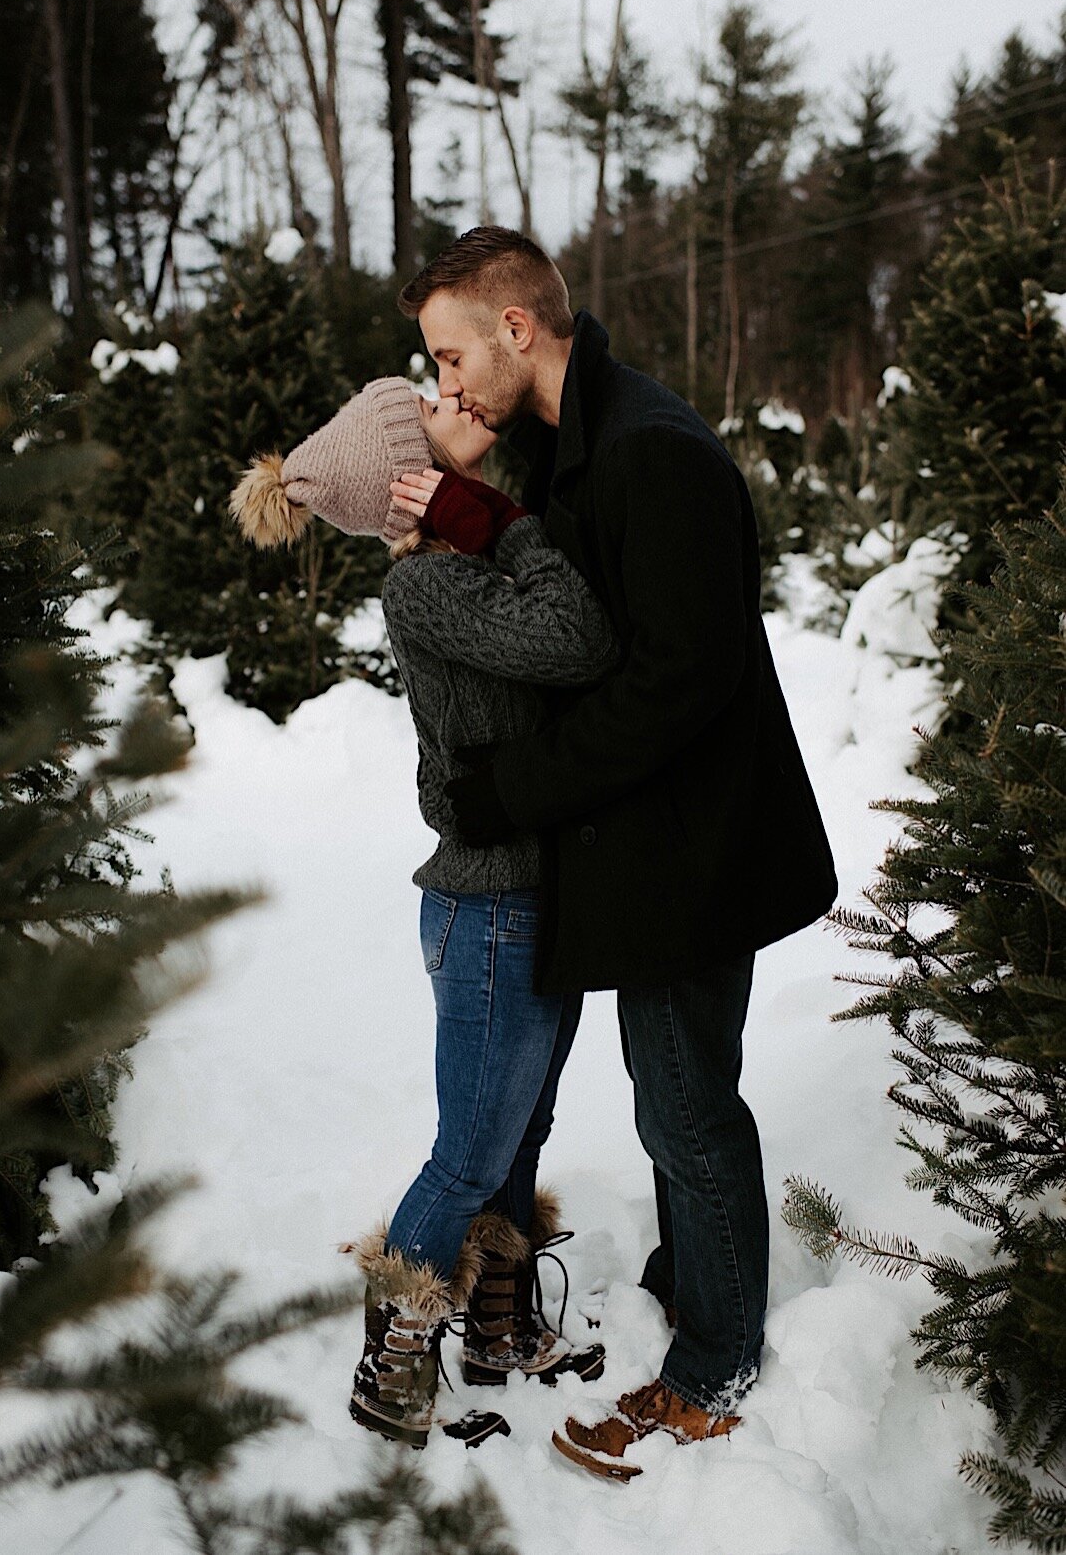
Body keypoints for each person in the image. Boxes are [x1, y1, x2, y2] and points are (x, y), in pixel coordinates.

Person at [394, 227, 839, 1482]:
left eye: (449, 353)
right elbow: (554, 582)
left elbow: (674, 685)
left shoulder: (655, 453)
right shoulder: (569, 446)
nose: (446, 385)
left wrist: (505, 792)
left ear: (516, 329)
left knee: (688, 1104)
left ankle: (712, 1366)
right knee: (668, 1100)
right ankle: (691, 1286)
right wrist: (451, 498)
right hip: (638, 847)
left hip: (697, 851)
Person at [229, 376, 613, 1451]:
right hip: (489, 914)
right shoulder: (427, 587)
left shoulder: (469, 557)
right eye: (435, 407)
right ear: (411, 479)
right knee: (466, 1153)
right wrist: (512, 525)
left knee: (516, 1139)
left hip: (533, 898)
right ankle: (392, 1359)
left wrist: (493, 526)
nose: (461, 397)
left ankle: (494, 1324)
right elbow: (573, 640)